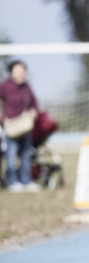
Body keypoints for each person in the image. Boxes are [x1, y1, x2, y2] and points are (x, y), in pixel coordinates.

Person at [0, 60, 40, 192]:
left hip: (25, 126)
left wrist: (34, 111)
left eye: (23, 71)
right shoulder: (5, 86)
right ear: (11, 72)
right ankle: (12, 181)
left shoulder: (26, 86)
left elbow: (33, 102)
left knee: (25, 155)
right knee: (10, 156)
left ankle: (25, 181)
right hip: (11, 126)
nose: (21, 74)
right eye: (18, 71)